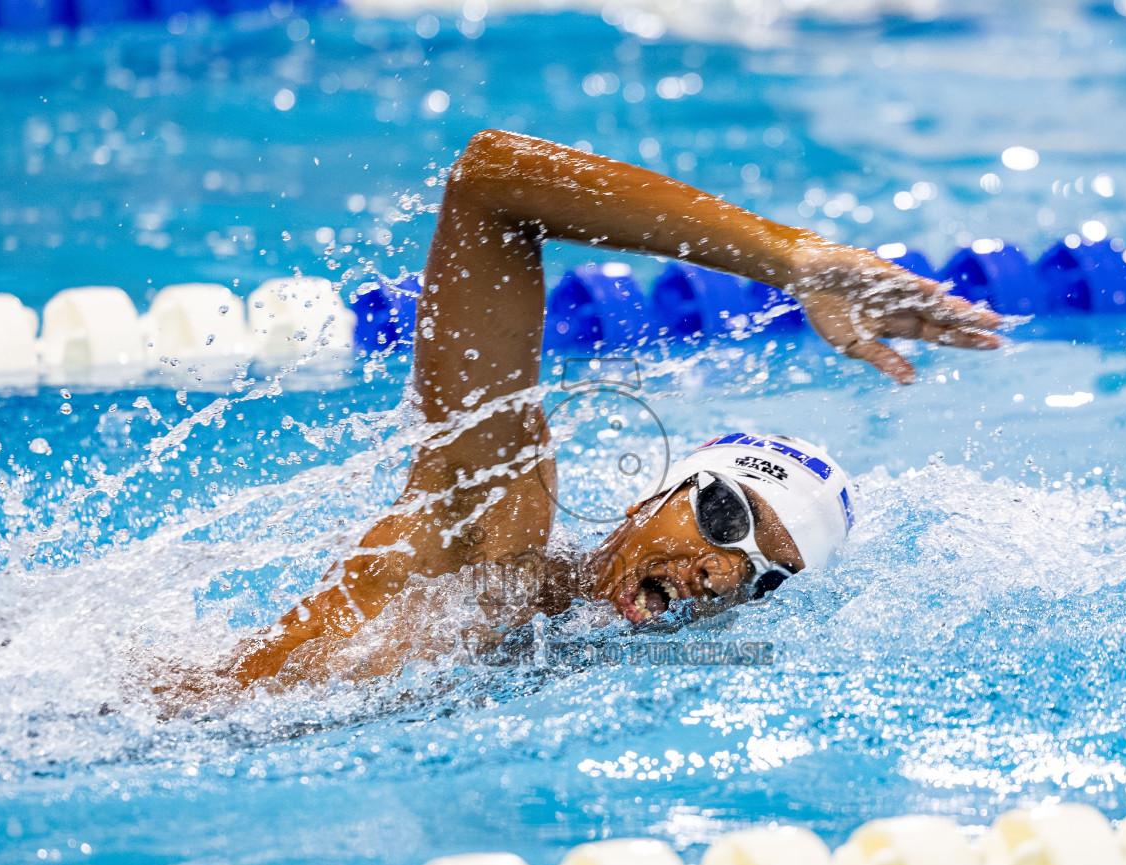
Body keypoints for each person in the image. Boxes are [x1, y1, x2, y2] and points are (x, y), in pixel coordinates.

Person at [223, 129, 1003, 688]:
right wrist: (792, 260)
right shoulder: (490, 538)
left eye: (767, 578)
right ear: (654, 494)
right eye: (728, 518)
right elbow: (490, 183)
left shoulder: (571, 662)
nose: (720, 570)